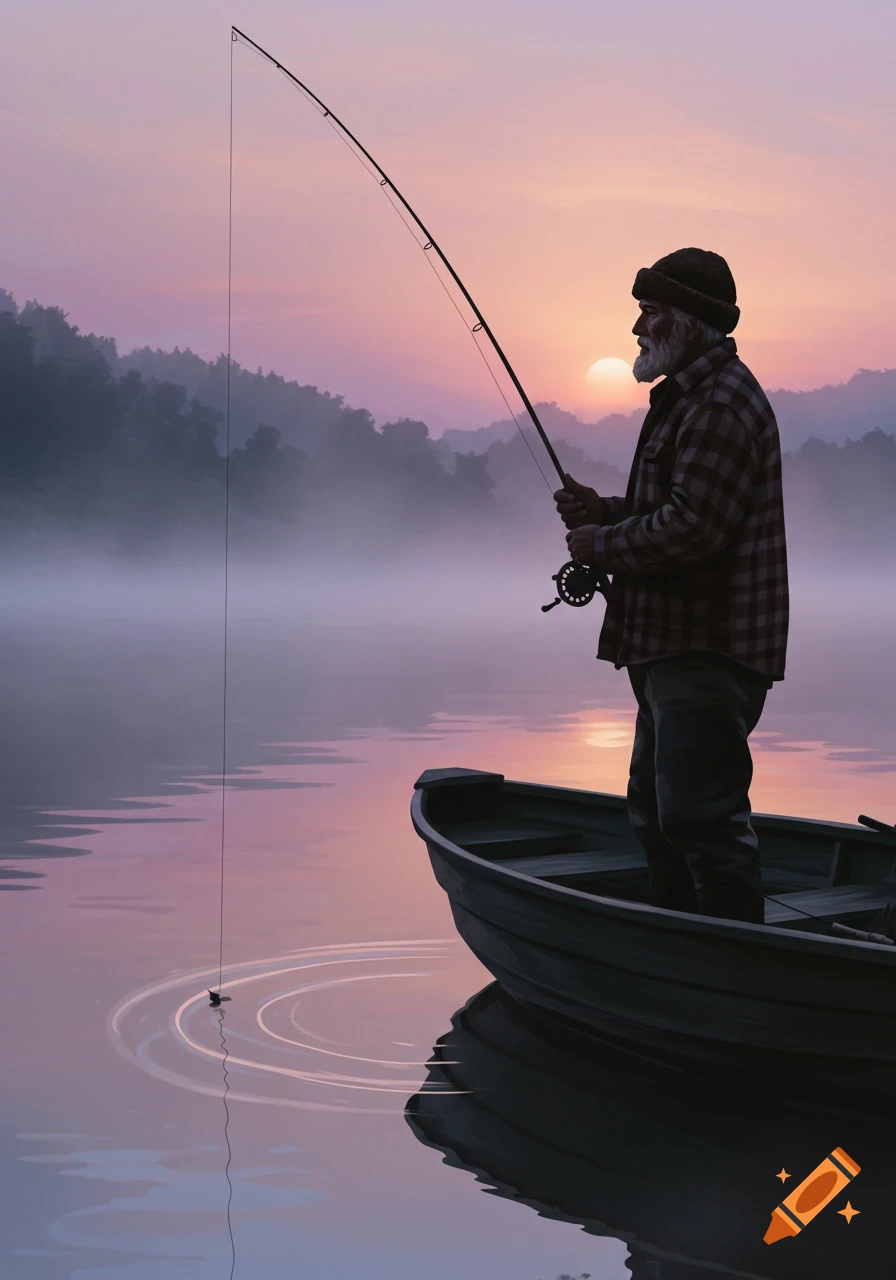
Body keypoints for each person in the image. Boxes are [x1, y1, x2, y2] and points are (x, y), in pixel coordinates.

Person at [555, 248, 788, 924]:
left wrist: (603, 543)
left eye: (649, 314)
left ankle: (733, 968)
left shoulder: (720, 404)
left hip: (706, 652)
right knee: (657, 815)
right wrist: (607, 511)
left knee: (701, 820)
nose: (637, 328)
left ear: (688, 324)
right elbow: (677, 509)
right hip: (671, 649)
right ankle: (678, 945)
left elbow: (695, 529)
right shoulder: (689, 399)